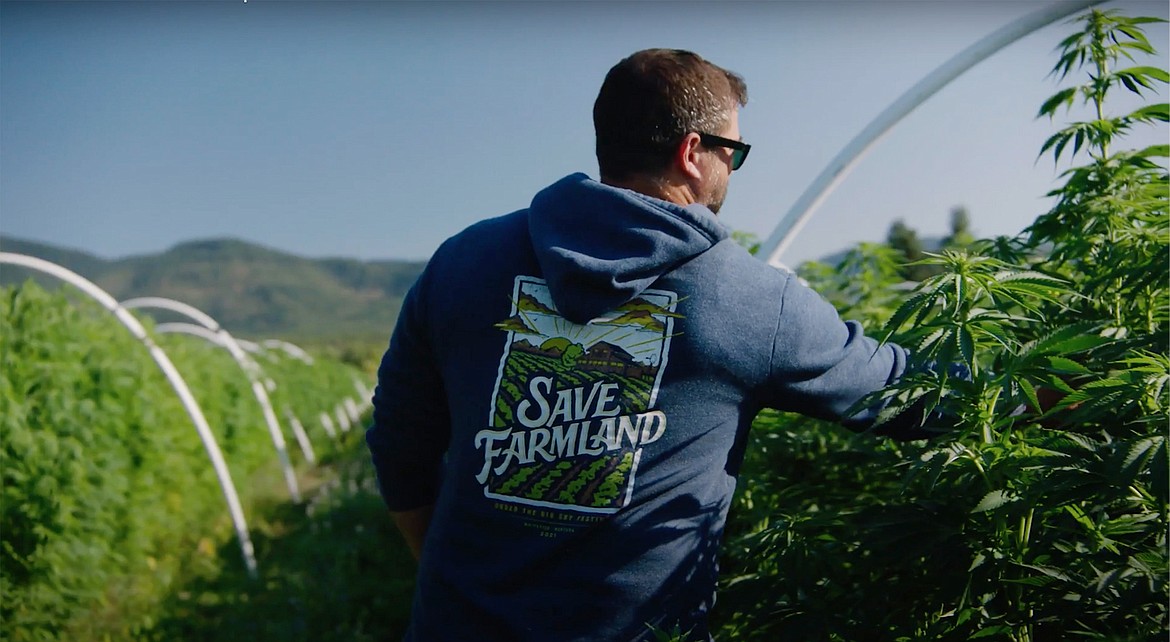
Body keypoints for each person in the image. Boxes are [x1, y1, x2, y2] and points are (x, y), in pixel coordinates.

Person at [367, 48, 941, 642]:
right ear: (692, 153)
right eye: (733, 152)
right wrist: (1036, 386)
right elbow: (905, 393)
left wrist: (451, 579)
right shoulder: (747, 299)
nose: (733, 168)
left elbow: (398, 443)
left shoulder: (462, 261)